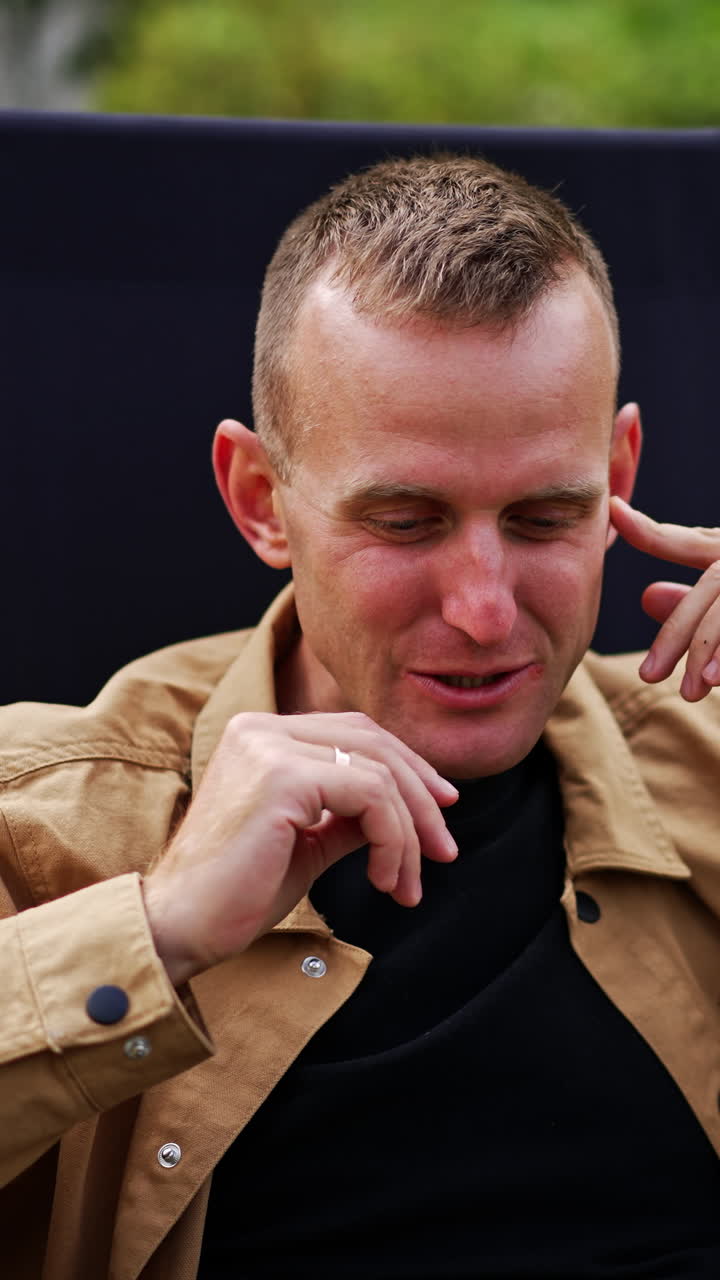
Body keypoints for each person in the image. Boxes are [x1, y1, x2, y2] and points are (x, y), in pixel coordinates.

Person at [2, 152, 720, 1279]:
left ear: (619, 474)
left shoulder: (705, 763)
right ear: (260, 499)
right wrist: (161, 929)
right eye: (405, 521)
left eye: (544, 518)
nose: (485, 612)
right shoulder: (45, 821)